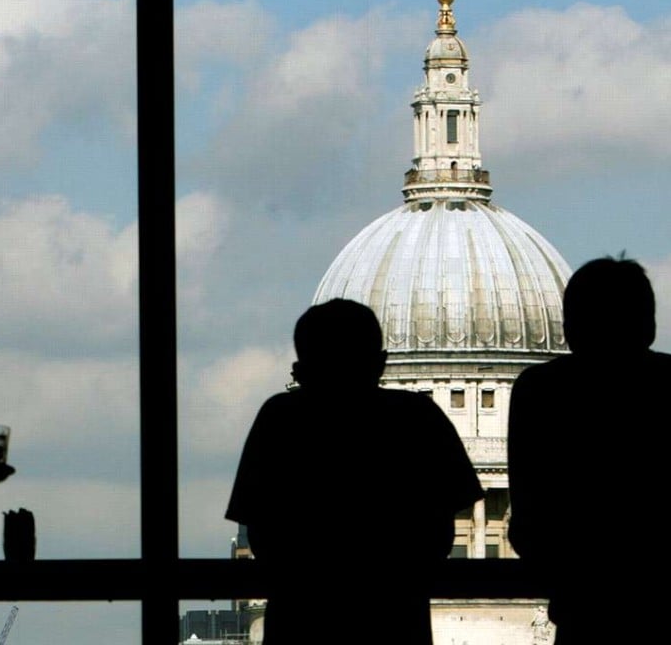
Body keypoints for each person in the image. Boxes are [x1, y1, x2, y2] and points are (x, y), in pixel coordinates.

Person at [226, 298, 483, 644]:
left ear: (300, 371)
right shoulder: (419, 419)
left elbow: (260, 531)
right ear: (379, 364)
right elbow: (440, 533)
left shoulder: (279, 420)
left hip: (301, 619)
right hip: (395, 618)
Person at [508, 257, 668, 643]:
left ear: (569, 328)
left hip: (583, 610)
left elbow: (528, 520)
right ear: (649, 325)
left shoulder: (540, 392)